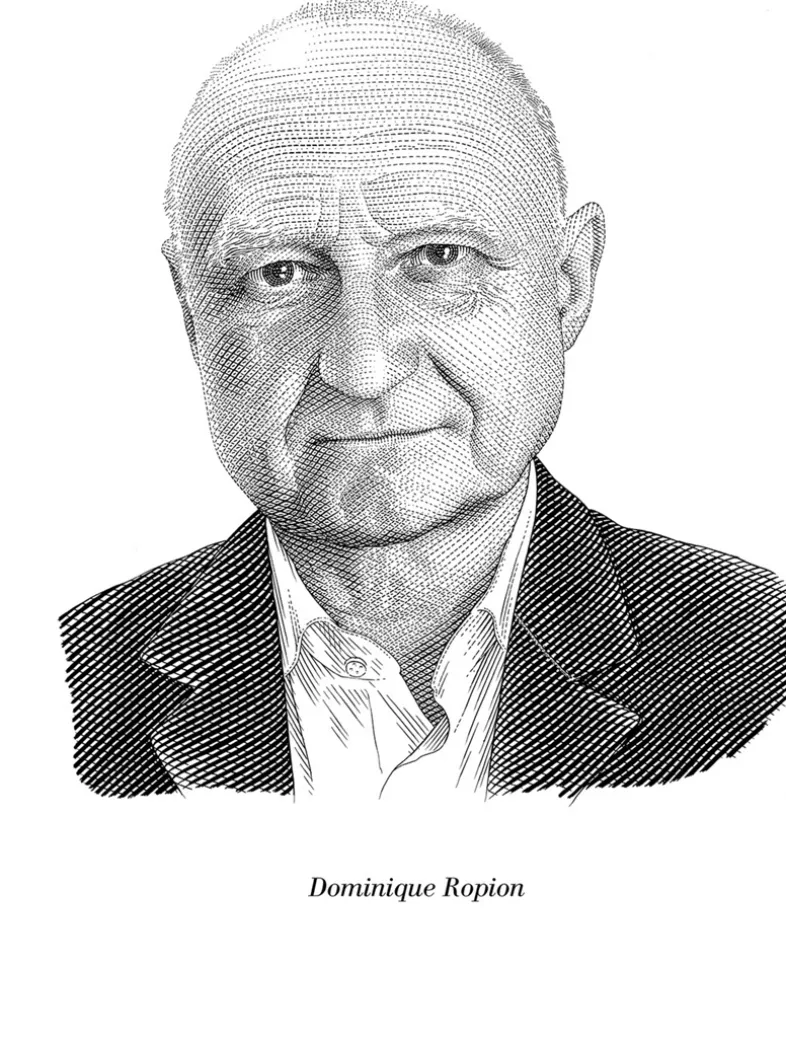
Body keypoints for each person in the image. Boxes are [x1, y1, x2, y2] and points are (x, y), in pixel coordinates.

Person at [60, 0, 785, 800]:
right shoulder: (59, 683)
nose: (363, 367)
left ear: (569, 284)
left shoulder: (758, 654)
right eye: (280, 274)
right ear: (189, 312)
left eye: (440, 257)